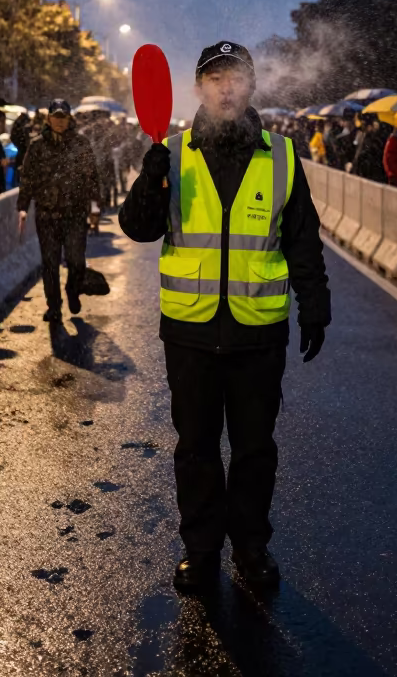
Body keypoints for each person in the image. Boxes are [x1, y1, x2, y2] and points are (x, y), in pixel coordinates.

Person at [118, 41, 330, 593]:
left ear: (251, 86)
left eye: (235, 77)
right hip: (189, 332)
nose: (226, 87)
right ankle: (201, 551)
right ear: (199, 89)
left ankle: (252, 548)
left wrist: (316, 305)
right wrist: (148, 179)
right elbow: (138, 228)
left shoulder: (282, 156)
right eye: (215, 78)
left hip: (259, 334)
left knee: (256, 449)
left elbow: (303, 240)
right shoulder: (171, 153)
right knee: (195, 449)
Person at [17, 100, 101, 323]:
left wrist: (95, 207)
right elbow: (27, 179)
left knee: (76, 261)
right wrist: (22, 208)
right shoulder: (37, 146)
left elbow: (92, 178)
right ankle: (53, 306)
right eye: (56, 116)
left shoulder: (81, 144)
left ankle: (73, 290)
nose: (59, 121)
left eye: (63, 117)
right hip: (46, 216)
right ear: (48, 118)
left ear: (69, 118)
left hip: (74, 215)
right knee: (50, 264)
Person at [352, 114, 388, 183]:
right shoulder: (362, 135)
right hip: (366, 173)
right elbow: (357, 149)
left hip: (372, 174)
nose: (363, 127)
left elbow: (367, 153)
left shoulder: (376, 139)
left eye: (364, 124)